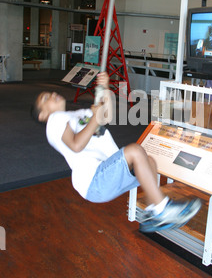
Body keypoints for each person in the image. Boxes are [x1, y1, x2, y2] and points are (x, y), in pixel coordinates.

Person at [31, 72, 201, 233]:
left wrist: (105, 90)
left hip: (106, 175)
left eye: (50, 93)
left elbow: (106, 117)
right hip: (94, 180)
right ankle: (162, 210)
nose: (53, 94)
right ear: (43, 115)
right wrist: (95, 119)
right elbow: (76, 145)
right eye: (46, 98)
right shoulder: (54, 120)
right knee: (135, 151)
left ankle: (154, 209)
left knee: (149, 162)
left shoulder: (77, 114)